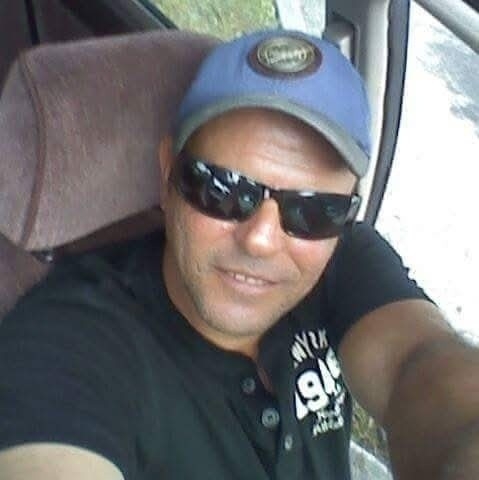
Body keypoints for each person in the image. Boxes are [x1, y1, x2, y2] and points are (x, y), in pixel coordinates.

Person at [0, 29, 477, 480]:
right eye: (223, 190)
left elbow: (421, 362)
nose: (260, 240)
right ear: (168, 174)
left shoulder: (343, 258)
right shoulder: (69, 337)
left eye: (314, 210)